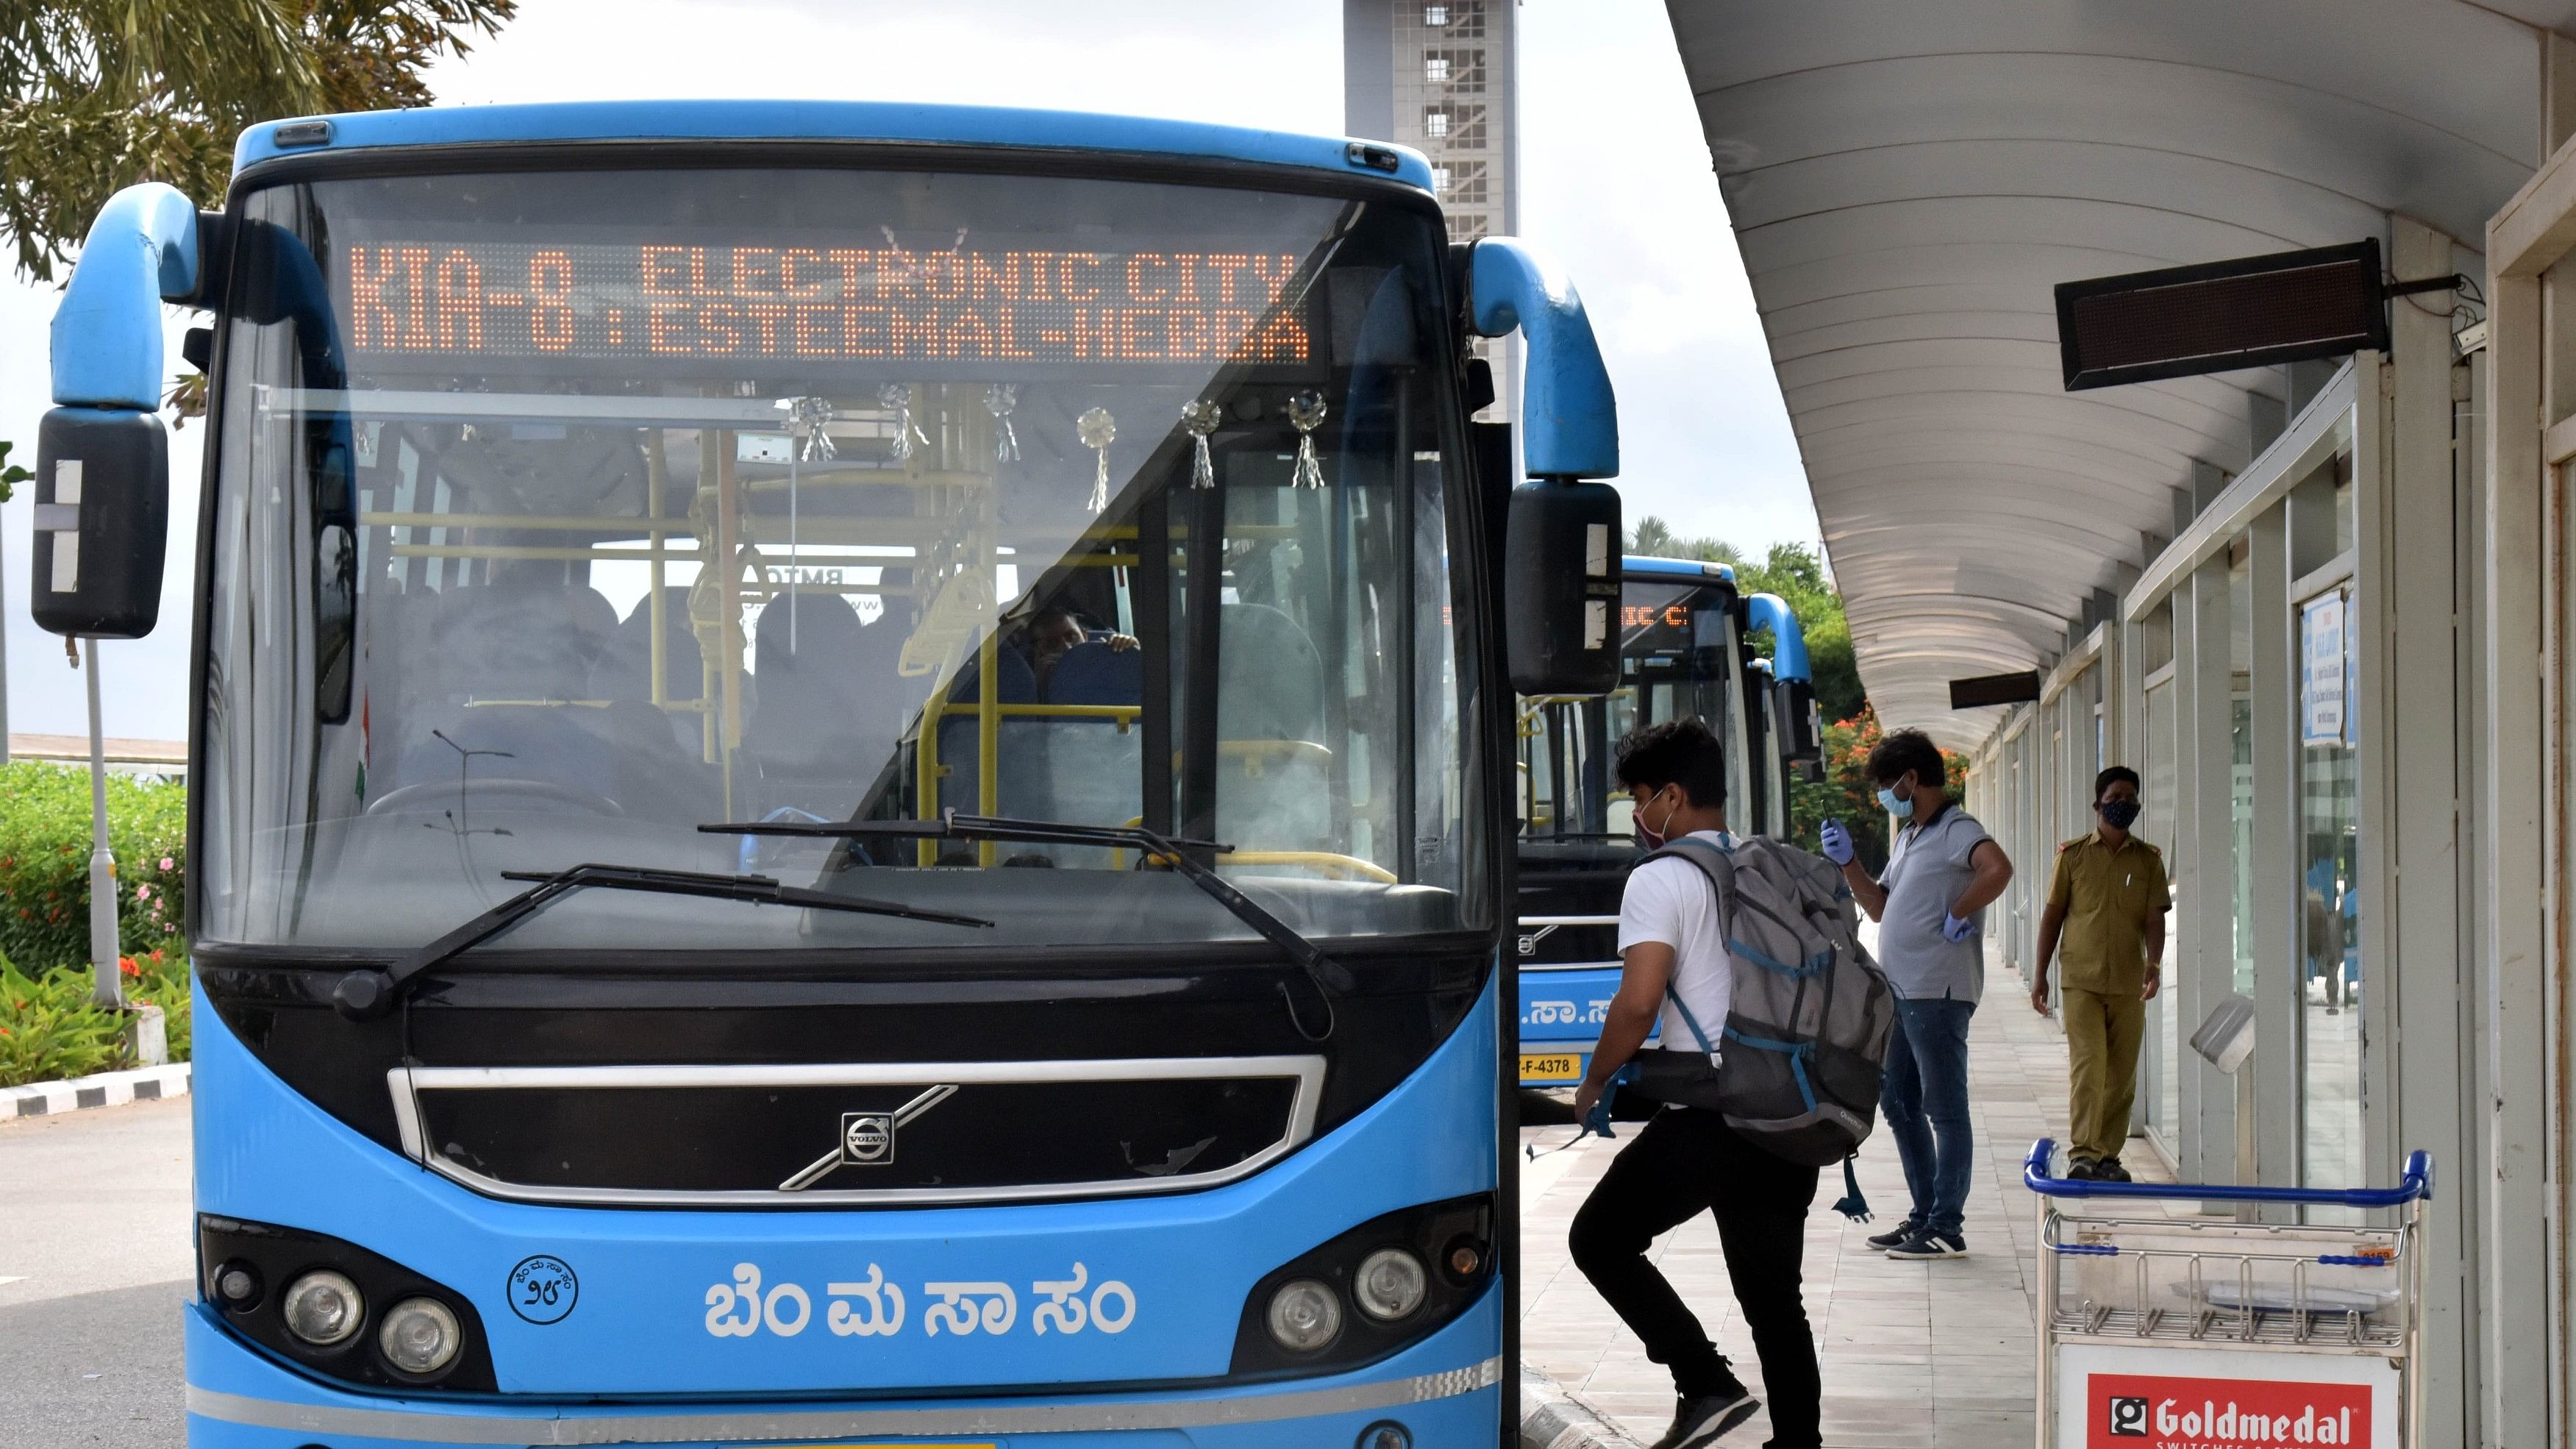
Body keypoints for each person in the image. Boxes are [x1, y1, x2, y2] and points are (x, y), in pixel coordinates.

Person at [1569, 719, 1822, 1449]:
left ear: (1671, 795)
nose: (1637, 814)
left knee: (1599, 1238)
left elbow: (1639, 999)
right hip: (1789, 1105)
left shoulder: (1660, 877)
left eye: (1640, 797)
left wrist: (1595, 1077)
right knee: (1774, 1296)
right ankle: (1797, 1442)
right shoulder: (1770, 864)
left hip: (1712, 1113)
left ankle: (1703, 1379)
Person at [1819, 727, 2011, 1260]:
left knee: (1943, 1108)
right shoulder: (1911, 835)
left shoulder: (1957, 828)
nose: (1885, 792)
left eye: (1888, 782)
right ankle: (1924, 1213)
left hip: (1937, 989)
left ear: (1912, 777)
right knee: (1897, 1101)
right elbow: (1879, 907)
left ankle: (1946, 1224)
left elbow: (1997, 869)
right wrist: (1847, 863)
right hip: (1902, 989)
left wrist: (1957, 912)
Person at [2029, 766, 2167, 1182]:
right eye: (2116, 798)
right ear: (2097, 805)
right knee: (2090, 1065)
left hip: (2127, 981)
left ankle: (2108, 1155)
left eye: (2131, 798)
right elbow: (2052, 916)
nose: (2124, 805)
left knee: (2122, 1073)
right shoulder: (2072, 857)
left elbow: (2154, 918)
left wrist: (2154, 964)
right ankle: (2083, 1153)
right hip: (2081, 980)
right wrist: (2040, 974)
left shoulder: (2149, 860)